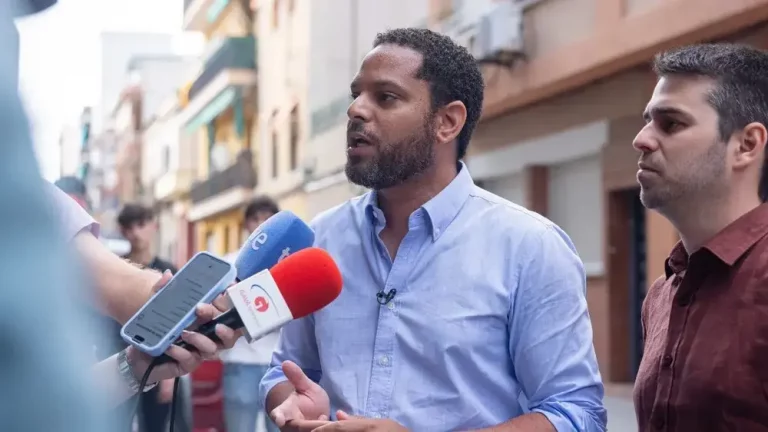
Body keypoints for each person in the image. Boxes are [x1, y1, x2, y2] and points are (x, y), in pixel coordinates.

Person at [260, 28, 606, 432]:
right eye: (357, 94)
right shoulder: (320, 239)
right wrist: (292, 401)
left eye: (385, 97)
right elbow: (284, 370)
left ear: (447, 121)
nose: (356, 110)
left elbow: (575, 414)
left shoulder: (531, 247)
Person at [632, 43, 768, 430]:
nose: (641, 139)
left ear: (746, 145)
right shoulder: (662, 294)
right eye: (647, 120)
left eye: (670, 123)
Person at [116, 203, 181, 432]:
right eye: (129, 227)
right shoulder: (116, 267)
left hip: (158, 360)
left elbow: (177, 323)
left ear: (153, 226)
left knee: (155, 426)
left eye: (141, 225)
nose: (135, 233)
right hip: (118, 358)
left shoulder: (168, 269)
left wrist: (170, 376)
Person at [220, 197, 282, 432]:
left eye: (267, 218)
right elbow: (220, 309)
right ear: (246, 224)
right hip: (240, 360)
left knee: (280, 426)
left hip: (278, 363)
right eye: (255, 219)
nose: (260, 223)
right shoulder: (231, 263)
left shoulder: (289, 263)